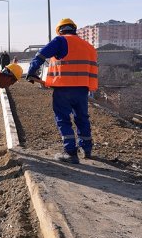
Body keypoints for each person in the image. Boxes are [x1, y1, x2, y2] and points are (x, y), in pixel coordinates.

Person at [26, 18, 98, 164]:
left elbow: (40, 55)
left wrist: (32, 71)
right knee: (82, 118)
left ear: (60, 30)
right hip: (83, 90)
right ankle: (86, 149)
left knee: (63, 119)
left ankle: (70, 153)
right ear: (74, 29)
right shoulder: (88, 46)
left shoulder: (60, 41)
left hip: (63, 89)